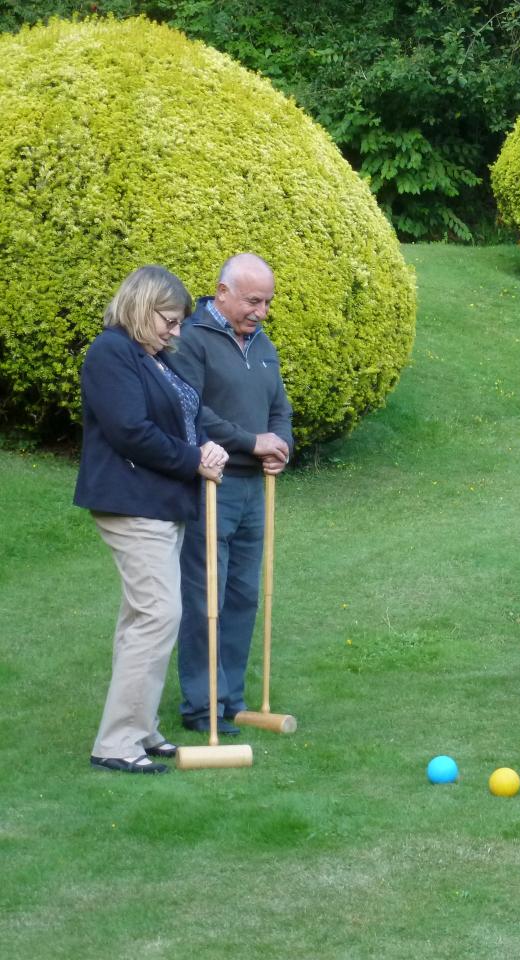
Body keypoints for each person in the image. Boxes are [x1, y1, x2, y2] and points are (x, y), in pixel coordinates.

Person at [75, 265, 229, 774]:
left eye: (179, 322)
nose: (176, 331)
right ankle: (116, 743)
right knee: (158, 613)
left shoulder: (158, 358)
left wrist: (206, 444)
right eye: (169, 319)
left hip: (160, 503)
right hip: (130, 502)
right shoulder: (111, 353)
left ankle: (138, 729)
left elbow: (187, 418)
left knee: (140, 617)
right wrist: (193, 462)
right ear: (143, 306)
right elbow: (130, 432)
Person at [168, 253, 293, 734]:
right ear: (222, 293)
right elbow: (193, 413)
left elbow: (278, 407)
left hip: (256, 488)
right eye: (253, 301)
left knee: (243, 596)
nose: (261, 312)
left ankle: (231, 700)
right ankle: (202, 705)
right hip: (211, 484)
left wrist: (281, 445)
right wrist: (249, 441)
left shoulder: (263, 344)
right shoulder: (192, 340)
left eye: (266, 302)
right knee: (208, 597)